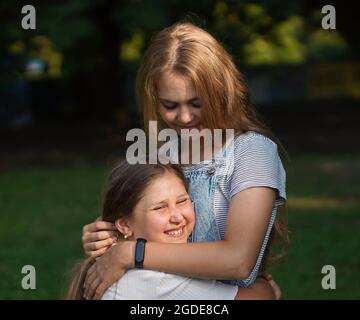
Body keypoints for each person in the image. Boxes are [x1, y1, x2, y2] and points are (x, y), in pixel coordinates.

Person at [81, 22, 288, 300]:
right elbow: (136, 227)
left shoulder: (252, 152)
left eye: (196, 102)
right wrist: (108, 239)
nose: (185, 118)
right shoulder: (161, 154)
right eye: (170, 106)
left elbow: (238, 260)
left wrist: (132, 252)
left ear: (220, 91)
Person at [67, 160, 280, 299]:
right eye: (160, 207)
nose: (177, 217)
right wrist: (265, 287)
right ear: (124, 225)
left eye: (182, 201)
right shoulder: (154, 280)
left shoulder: (120, 265)